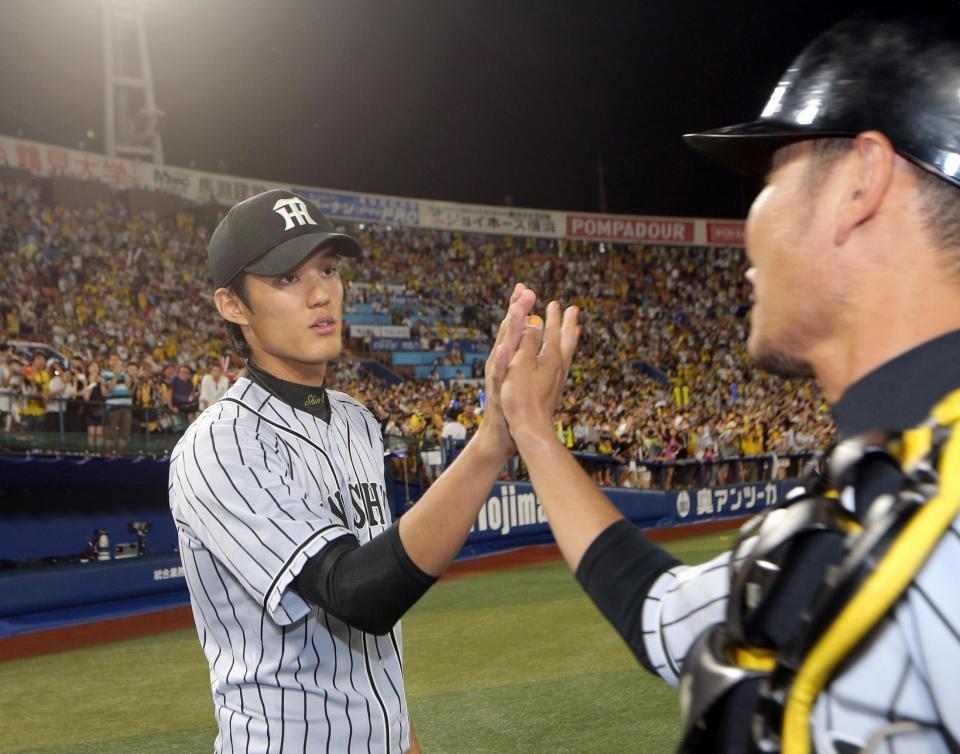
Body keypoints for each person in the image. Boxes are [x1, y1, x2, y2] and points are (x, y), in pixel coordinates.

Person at [499, 7, 960, 753]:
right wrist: (532, 428)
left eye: (771, 173)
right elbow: (665, 618)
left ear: (861, 184)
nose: (749, 222)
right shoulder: (865, 493)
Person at [168, 190, 533, 754]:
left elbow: (373, 636)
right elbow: (356, 594)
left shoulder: (357, 421)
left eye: (329, 270)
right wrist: (491, 442)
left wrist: (402, 738)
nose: (321, 294)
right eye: (286, 278)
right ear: (233, 305)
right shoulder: (220, 446)